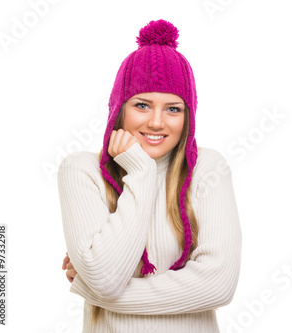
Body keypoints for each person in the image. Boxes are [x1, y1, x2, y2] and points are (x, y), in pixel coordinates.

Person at [57, 19, 242, 332]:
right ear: (120, 109)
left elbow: (218, 285)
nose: (157, 122)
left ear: (188, 116)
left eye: (173, 109)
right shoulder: (81, 171)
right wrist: (140, 173)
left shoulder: (208, 169)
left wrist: (94, 290)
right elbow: (104, 277)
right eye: (142, 105)